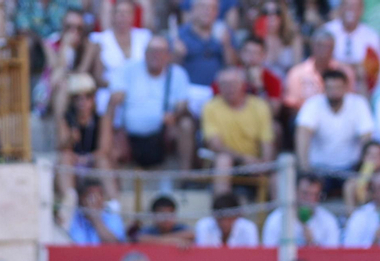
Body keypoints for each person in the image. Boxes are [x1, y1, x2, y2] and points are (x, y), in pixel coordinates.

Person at [104, 37, 193, 168]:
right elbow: (114, 100)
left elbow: (183, 104)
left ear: (168, 55)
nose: (155, 55)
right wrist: (115, 130)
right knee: (107, 135)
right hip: (129, 135)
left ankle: (186, 178)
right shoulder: (129, 69)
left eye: (160, 51)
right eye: (152, 51)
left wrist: (175, 116)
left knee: (186, 125)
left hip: (162, 137)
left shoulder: (178, 74)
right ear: (144, 53)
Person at [295, 67, 374, 189]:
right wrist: (305, 171)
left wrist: (364, 174)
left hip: (351, 168)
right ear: (323, 88)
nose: (334, 92)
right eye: (330, 88)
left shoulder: (359, 104)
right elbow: (303, 133)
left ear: (346, 88)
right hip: (319, 169)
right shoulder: (313, 104)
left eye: (338, 88)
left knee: (357, 186)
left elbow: (367, 139)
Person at [202, 67, 276, 195]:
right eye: (224, 84)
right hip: (230, 161)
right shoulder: (210, 107)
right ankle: (222, 208)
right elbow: (215, 145)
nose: (229, 88)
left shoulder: (260, 106)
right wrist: (244, 159)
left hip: (255, 163)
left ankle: (280, 214)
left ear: (243, 85)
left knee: (279, 178)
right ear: (218, 87)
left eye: (233, 84)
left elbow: (267, 142)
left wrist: (263, 164)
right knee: (223, 160)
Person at [263, 170, 344, 245]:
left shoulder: (328, 220)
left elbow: (332, 257)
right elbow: (269, 254)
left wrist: (313, 244)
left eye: (315, 195)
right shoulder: (276, 219)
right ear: (295, 192)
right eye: (305, 193)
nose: (310, 199)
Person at [284, 29, 355, 111]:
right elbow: (292, 105)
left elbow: (350, 102)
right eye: (320, 45)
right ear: (312, 46)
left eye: (328, 46)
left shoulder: (345, 72)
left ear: (333, 49)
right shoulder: (297, 73)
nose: (324, 50)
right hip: (306, 119)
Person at [92, 0, 152, 88]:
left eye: (127, 13)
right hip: (110, 91)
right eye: (119, 12)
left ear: (133, 16)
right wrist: (118, 86)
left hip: (141, 90)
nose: (123, 16)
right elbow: (97, 77)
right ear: (112, 16)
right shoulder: (100, 40)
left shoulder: (145, 37)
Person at [325, 0, 380, 87]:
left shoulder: (371, 36)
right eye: (347, 6)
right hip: (331, 83)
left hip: (360, 86)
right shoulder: (328, 30)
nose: (350, 10)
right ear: (340, 8)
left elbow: (376, 68)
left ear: (362, 10)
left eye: (354, 7)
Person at [67, 178, 127, 244]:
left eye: (98, 196)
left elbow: (116, 245)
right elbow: (73, 243)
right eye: (90, 197)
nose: (94, 201)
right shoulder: (73, 216)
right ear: (81, 198)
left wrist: (95, 219)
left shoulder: (112, 215)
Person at [193, 191, 262, 244]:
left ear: (237, 216)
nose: (225, 223)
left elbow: (252, 256)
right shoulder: (204, 226)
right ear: (214, 216)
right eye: (221, 218)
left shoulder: (248, 228)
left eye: (229, 218)